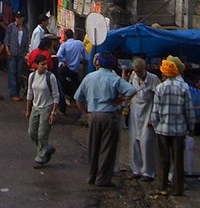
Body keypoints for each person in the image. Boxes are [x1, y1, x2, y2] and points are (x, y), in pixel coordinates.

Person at [74, 51, 136, 188]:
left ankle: (91, 176)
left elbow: (77, 97)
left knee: (93, 146)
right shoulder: (114, 78)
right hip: (109, 115)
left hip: (93, 115)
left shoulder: (89, 77)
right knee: (107, 149)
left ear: (98, 63)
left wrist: (84, 113)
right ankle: (102, 179)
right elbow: (132, 91)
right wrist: (119, 100)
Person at [149, 57, 196, 198]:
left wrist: (155, 124)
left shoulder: (160, 88)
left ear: (165, 73)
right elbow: (189, 110)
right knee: (178, 160)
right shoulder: (184, 87)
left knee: (163, 159)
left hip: (163, 130)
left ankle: (162, 187)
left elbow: (155, 111)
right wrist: (191, 125)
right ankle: (178, 189)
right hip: (179, 130)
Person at [124, 57, 159, 181]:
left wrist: (154, 117)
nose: (138, 73)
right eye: (136, 71)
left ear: (145, 69)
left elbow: (158, 99)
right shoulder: (133, 77)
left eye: (140, 71)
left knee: (147, 143)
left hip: (148, 114)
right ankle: (136, 170)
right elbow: (128, 93)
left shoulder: (153, 79)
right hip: (134, 114)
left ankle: (148, 172)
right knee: (134, 143)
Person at [24, 52, 60, 168]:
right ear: (36, 65)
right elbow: (30, 93)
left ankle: (41, 157)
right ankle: (46, 148)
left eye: (46, 64)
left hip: (47, 107)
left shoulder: (50, 77)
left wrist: (53, 112)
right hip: (36, 106)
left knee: (42, 133)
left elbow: (56, 95)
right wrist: (28, 110)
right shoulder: (32, 77)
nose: (45, 67)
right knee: (32, 132)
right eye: (42, 64)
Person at [55, 28, 87, 116]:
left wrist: (64, 61)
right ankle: (82, 109)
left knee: (61, 89)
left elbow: (58, 55)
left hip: (64, 69)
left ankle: (62, 109)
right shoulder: (80, 44)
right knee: (78, 88)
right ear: (73, 35)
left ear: (65, 36)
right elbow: (86, 56)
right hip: (75, 70)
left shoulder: (64, 45)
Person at [4, 11, 30, 101]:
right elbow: (6, 40)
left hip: (21, 54)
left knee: (19, 74)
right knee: (12, 73)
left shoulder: (26, 28)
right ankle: (13, 93)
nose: (18, 20)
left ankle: (17, 92)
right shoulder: (11, 27)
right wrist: (7, 50)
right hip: (12, 53)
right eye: (17, 18)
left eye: (19, 18)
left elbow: (27, 41)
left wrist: (25, 52)